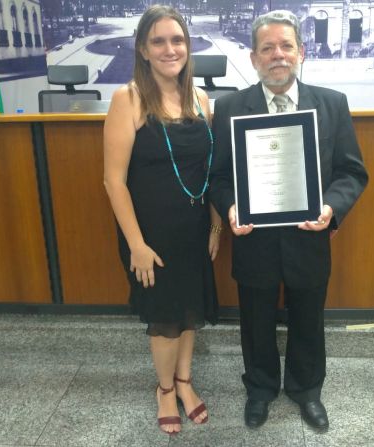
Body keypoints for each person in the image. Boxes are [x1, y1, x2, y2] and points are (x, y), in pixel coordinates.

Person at [210, 10, 368, 432]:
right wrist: (229, 208)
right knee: (255, 320)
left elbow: (352, 173)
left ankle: (306, 390)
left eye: (286, 46)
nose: (277, 55)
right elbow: (219, 177)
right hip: (253, 238)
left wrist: (331, 208)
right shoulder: (228, 108)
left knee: (308, 318)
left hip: (310, 236)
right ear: (253, 57)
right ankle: (260, 389)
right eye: (267, 48)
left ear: (300, 52)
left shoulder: (331, 104)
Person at [103, 5, 221, 435]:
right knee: (165, 318)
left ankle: (185, 381)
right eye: (159, 41)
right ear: (143, 48)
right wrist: (136, 243)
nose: (170, 49)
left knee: (189, 311)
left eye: (178, 40)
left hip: (194, 229)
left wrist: (214, 225)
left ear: (188, 47)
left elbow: (208, 173)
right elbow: (113, 181)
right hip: (150, 234)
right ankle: (165, 389)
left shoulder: (201, 99)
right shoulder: (128, 99)